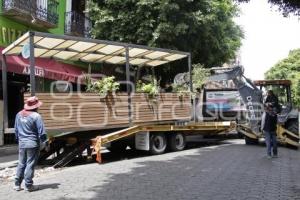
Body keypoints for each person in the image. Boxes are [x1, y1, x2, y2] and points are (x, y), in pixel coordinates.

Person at [13, 96, 48, 192]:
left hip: (22, 143)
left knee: (21, 163)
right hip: (32, 144)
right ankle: (28, 185)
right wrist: (46, 143)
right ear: (36, 106)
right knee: (30, 164)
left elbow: (16, 130)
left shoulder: (18, 114)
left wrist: (19, 140)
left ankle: (17, 184)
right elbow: (42, 132)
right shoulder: (36, 116)